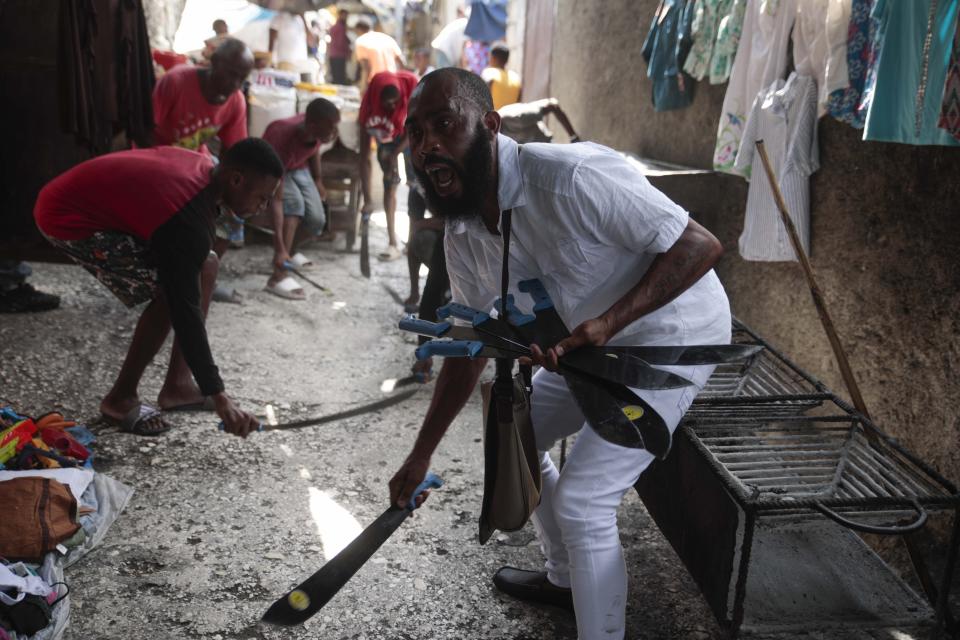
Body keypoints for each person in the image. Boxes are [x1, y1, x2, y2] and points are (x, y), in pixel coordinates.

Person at [389, 68, 731, 640]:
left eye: (443, 126)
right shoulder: (465, 231)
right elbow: (473, 344)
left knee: (582, 502)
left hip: (672, 335)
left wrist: (610, 321)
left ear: (489, 125)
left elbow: (699, 245)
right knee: (515, 440)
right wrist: (420, 454)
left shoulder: (570, 177)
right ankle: (566, 580)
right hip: (588, 343)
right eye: (416, 132)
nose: (427, 147)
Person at [34, 139, 282, 437]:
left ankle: (178, 386)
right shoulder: (188, 218)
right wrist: (219, 396)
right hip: (66, 217)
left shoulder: (209, 173)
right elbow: (185, 311)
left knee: (207, 264)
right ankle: (120, 397)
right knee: (172, 290)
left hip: (83, 202)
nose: (264, 206)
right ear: (237, 179)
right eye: (263, 197)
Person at [152, 38, 254, 301]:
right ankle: (169, 280)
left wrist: (233, 194)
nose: (234, 84)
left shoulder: (235, 100)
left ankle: (202, 276)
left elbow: (235, 152)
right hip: (156, 165)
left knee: (234, 212)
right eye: (231, 74)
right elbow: (145, 135)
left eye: (241, 78)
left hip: (195, 168)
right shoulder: (176, 82)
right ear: (214, 62)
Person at [261, 98, 341, 300]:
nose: (334, 133)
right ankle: (278, 275)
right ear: (312, 126)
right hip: (272, 168)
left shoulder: (315, 132)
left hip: (298, 167)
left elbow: (313, 150)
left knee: (317, 220)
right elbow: (277, 200)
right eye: (330, 128)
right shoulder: (282, 137)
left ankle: (290, 252)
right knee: (294, 206)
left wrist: (318, 179)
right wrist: (278, 247)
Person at [357, 70, 419, 262]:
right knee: (389, 185)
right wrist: (367, 198)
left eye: (396, 102)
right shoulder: (368, 112)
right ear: (377, 99)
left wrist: (396, 153)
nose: (392, 106)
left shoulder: (411, 89)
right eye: (387, 103)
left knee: (415, 187)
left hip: (411, 137)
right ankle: (393, 242)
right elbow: (364, 157)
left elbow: (415, 130)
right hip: (386, 137)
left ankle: (413, 242)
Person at [498, 97, 581, 144]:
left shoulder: (514, 116)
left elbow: (552, 105)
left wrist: (573, 136)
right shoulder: (496, 145)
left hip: (548, 147)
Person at [353, 20, 404, 90]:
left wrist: (363, 88)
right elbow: (402, 62)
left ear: (359, 29)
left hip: (375, 82)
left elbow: (365, 67)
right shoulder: (388, 38)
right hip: (393, 82)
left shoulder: (361, 41)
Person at [481, 43, 521, 109]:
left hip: (492, 118)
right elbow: (518, 102)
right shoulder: (516, 78)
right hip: (511, 118)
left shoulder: (489, 73)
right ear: (507, 60)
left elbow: (481, 99)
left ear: (493, 58)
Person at [326, 8, 351, 85]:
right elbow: (341, 43)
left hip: (334, 54)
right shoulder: (341, 27)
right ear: (340, 15)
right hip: (339, 55)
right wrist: (348, 50)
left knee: (336, 77)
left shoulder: (335, 27)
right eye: (344, 15)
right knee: (339, 79)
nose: (346, 17)